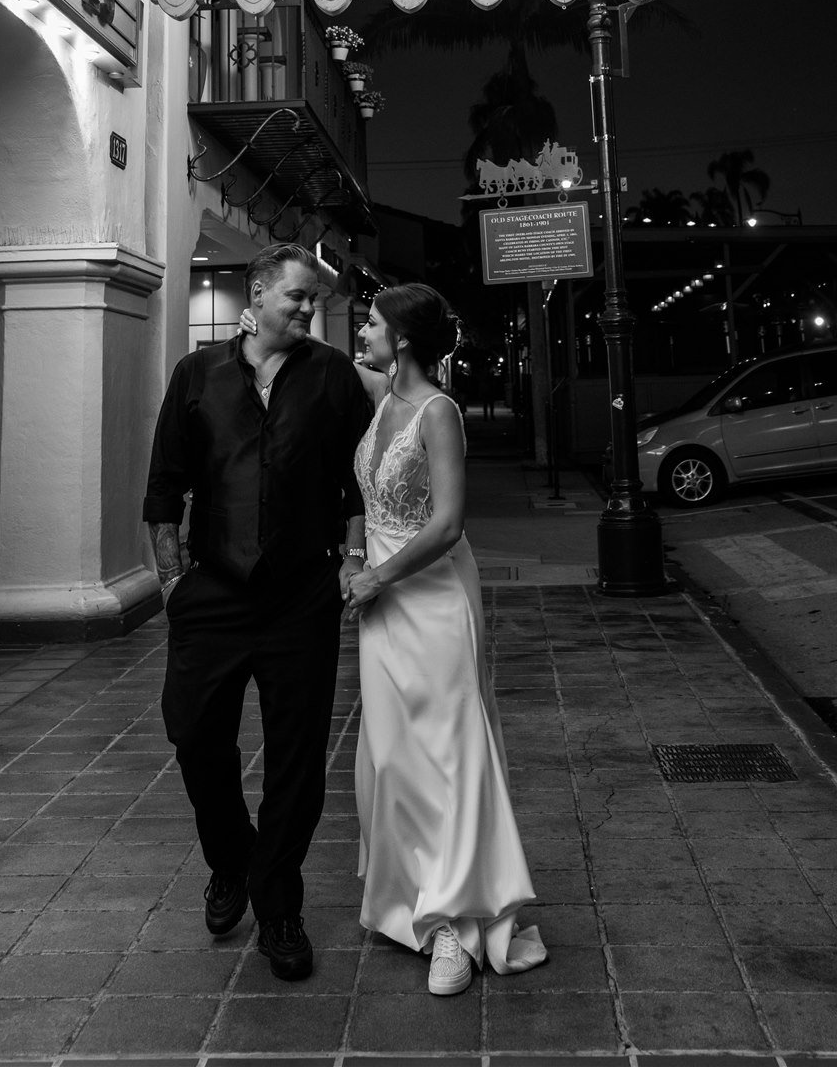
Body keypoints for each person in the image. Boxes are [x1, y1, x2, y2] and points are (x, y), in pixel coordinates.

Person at [142, 244, 373, 982]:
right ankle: (230, 859)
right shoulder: (198, 373)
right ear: (260, 293)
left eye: (312, 301)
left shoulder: (332, 375)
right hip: (211, 591)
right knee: (192, 731)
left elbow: (361, 475)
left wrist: (353, 555)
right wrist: (172, 581)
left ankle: (278, 907)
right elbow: (162, 487)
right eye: (298, 298)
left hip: (300, 594)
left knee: (297, 759)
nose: (308, 311)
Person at [347, 283, 547, 997]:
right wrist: (353, 561)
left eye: (370, 323)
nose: (360, 330)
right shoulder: (380, 396)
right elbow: (366, 499)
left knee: (449, 753)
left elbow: (448, 524)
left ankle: (459, 928)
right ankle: (412, 907)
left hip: (430, 598)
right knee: (393, 755)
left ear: (401, 339)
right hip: (381, 600)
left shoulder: (439, 412)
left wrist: (376, 579)